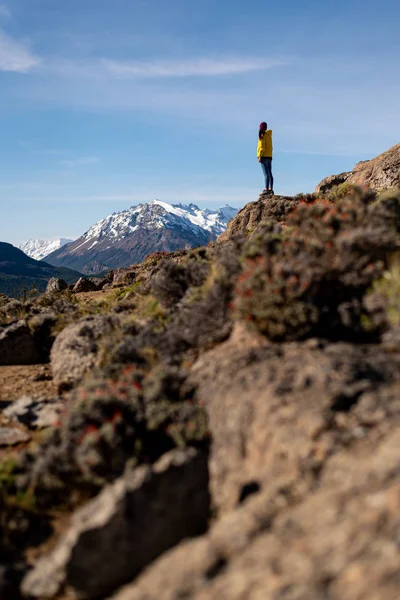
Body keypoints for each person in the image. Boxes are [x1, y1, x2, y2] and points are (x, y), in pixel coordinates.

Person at [257, 122, 274, 195]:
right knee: (270, 173)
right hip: (269, 156)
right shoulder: (269, 135)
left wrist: (260, 156)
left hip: (263, 156)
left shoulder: (262, 135)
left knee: (266, 174)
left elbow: (261, 147)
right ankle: (271, 189)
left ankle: (266, 189)